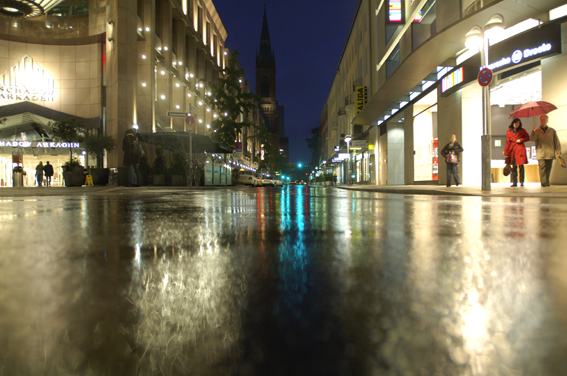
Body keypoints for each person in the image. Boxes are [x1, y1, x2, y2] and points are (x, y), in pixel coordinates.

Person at [530, 114, 562, 187]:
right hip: (541, 153)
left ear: (547, 120)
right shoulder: (536, 131)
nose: (543, 121)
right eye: (541, 120)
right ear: (539, 121)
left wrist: (558, 151)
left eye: (544, 119)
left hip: (550, 153)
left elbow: (556, 141)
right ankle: (543, 182)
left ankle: (547, 181)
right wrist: (533, 132)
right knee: (542, 168)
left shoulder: (552, 131)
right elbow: (532, 139)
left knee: (548, 168)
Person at [503, 118, 530, 187]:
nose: (516, 124)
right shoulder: (509, 131)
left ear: (520, 124)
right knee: (514, 167)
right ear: (513, 123)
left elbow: (527, 137)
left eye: (518, 123)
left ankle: (522, 182)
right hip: (513, 151)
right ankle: (514, 182)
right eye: (515, 123)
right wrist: (506, 152)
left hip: (520, 150)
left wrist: (521, 140)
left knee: (521, 167)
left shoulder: (522, 130)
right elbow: (507, 143)